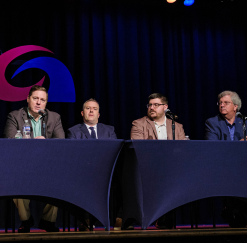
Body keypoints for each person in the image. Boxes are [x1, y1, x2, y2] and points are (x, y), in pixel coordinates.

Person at [3, 85, 65, 233]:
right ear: (28, 99)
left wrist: (46, 142)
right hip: (22, 164)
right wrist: (33, 141)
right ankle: (26, 220)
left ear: (46, 103)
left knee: (61, 179)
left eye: (42, 100)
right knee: (16, 181)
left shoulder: (54, 117)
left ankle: (48, 220)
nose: (38, 102)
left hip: (47, 165)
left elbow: (61, 142)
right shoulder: (15, 116)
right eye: (35, 98)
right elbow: (9, 140)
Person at [204, 91, 247, 228]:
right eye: (220, 103)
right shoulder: (212, 122)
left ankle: (234, 210)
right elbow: (212, 145)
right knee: (232, 176)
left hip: (245, 165)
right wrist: (239, 144)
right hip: (222, 165)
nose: (222, 105)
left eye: (226, 103)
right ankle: (233, 211)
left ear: (235, 106)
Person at [130, 93, 186, 229]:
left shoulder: (177, 126)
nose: (152, 108)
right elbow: (138, 148)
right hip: (149, 169)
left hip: (172, 170)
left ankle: (167, 218)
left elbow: (184, 149)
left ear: (165, 107)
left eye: (156, 105)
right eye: (150, 105)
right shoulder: (139, 124)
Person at [67, 98, 117, 230]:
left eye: (94, 109)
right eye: (88, 108)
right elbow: (72, 154)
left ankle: (118, 219)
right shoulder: (73, 131)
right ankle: (86, 220)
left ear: (98, 114)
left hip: (105, 171)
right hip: (82, 172)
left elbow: (114, 151)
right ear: (82, 113)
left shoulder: (109, 130)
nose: (91, 111)